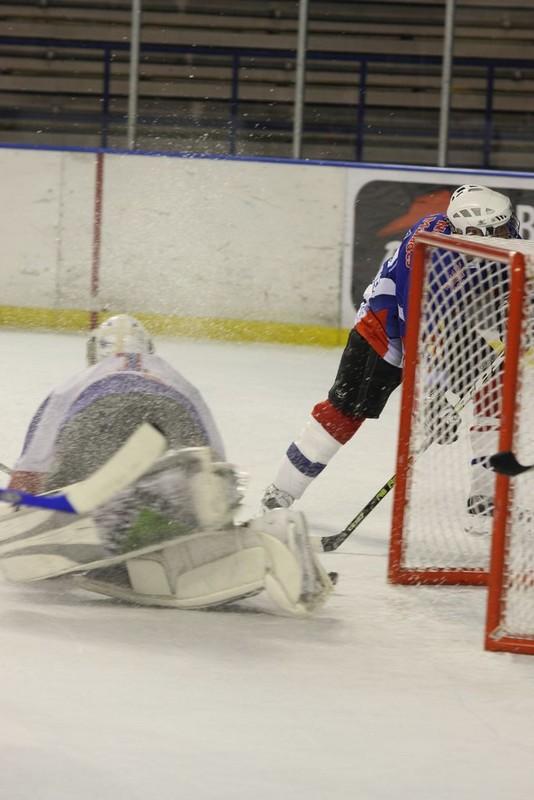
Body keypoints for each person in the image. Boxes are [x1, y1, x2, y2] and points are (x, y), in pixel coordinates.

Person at [3, 314, 334, 616]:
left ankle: (110, 529)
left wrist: (23, 517)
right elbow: (213, 464)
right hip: (170, 415)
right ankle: (253, 537)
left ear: (94, 353)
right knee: (179, 504)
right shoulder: (174, 377)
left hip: (99, 415)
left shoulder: (76, 383)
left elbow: (30, 469)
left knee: (66, 487)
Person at [261, 184, 521, 524]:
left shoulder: (486, 237)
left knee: (495, 392)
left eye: (505, 224)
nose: (508, 232)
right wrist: (432, 399)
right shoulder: (433, 256)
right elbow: (423, 334)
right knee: (346, 410)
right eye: (499, 229)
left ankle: (486, 499)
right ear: (473, 232)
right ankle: (281, 491)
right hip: (387, 326)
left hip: (458, 325)